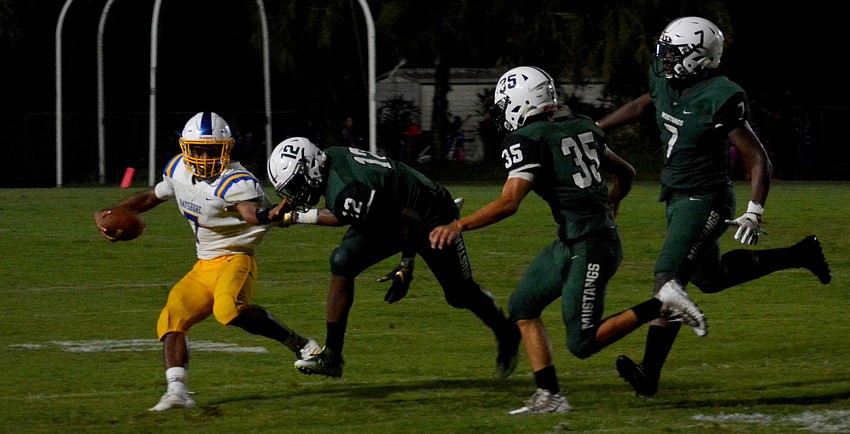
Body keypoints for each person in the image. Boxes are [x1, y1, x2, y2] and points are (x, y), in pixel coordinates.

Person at [429, 66, 707, 414]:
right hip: (575, 239)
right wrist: (613, 199)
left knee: (582, 342)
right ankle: (549, 395)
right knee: (522, 306)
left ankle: (663, 303)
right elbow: (627, 172)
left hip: (590, 246)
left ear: (519, 103)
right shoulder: (581, 124)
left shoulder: (528, 138)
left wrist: (459, 226)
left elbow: (509, 202)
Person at [595, 17, 832, 397]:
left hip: (705, 198)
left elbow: (758, 158)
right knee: (712, 278)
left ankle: (649, 373)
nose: (665, 58)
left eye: (674, 52)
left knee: (669, 280)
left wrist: (755, 208)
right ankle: (800, 254)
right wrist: (598, 127)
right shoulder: (667, 80)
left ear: (697, 58)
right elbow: (645, 103)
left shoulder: (720, 94)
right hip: (675, 194)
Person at [95, 111, 321, 411]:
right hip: (204, 264)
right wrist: (111, 212)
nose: (202, 156)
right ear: (185, 147)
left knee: (228, 310)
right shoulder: (177, 169)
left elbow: (251, 214)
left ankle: (301, 343)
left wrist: (273, 213)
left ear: (225, 149)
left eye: (211, 150)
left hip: (236, 258)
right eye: (197, 149)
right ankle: (177, 392)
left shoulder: (237, 181)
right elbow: (152, 196)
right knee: (172, 317)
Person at [265, 136, 521, 379]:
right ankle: (332, 356)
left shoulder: (344, 190)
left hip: (430, 215)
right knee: (342, 261)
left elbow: (407, 219)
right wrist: (294, 215)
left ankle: (506, 332)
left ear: (310, 166)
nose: (296, 195)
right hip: (394, 213)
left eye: (296, 185)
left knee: (459, 294)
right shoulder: (331, 158)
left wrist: (406, 265)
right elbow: (347, 211)